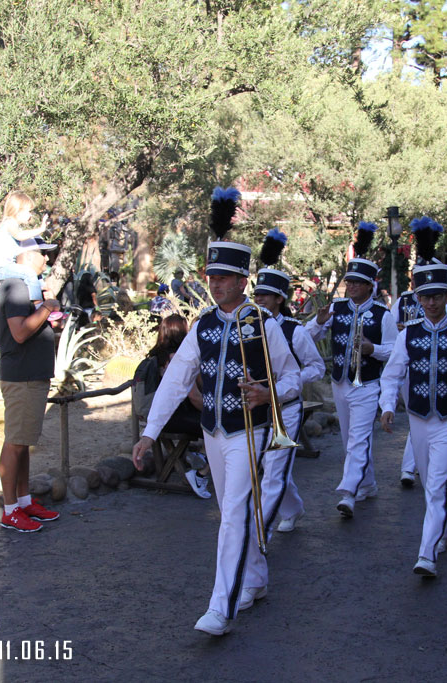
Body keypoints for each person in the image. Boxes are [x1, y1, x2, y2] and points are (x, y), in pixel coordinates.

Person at [130, 187, 301, 637]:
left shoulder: (264, 324)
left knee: (232, 515)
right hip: (212, 431)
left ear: (244, 281)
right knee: (233, 510)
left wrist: (271, 395)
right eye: (212, 275)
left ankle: (220, 608)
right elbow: (176, 379)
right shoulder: (203, 325)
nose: (216, 283)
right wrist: (149, 433)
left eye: (226, 277)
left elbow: (295, 379)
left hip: (251, 431)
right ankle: (256, 580)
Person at [380, 260, 447, 577]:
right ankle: (444, 529)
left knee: (437, 485)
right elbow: (392, 374)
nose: (432, 302)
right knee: (430, 484)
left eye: (438, 295)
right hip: (418, 419)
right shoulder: (408, 334)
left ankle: (427, 555)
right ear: (418, 298)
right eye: (426, 296)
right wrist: (387, 406)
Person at [306, 221, 397, 518]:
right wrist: (319, 322)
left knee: (358, 439)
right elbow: (308, 337)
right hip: (340, 382)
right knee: (350, 441)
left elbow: (395, 352)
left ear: (370, 285)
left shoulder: (383, 314)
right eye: (350, 281)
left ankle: (348, 492)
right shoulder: (338, 307)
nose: (352, 286)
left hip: (367, 384)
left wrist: (374, 350)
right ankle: (368, 483)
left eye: (358, 282)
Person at [252, 229, 325, 533]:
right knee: (264, 469)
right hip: (256, 407)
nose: (258, 300)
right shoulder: (247, 325)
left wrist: (290, 379)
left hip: (287, 407)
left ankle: (262, 533)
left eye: (264, 296)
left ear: (279, 299)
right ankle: (292, 508)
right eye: (255, 295)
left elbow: (317, 367)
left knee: (273, 472)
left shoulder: (296, 330)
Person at [0, 238, 61, 533]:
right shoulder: (15, 285)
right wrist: (47, 307)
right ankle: (10, 510)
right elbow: (19, 333)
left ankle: (22, 502)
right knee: (15, 442)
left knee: (22, 444)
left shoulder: (25, 286)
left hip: (31, 375)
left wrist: (47, 314)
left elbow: (29, 325)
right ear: (25, 255)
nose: (46, 260)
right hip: (21, 377)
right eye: (42, 254)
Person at [131, 314, 211, 498]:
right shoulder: (178, 358)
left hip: (158, 416)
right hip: (172, 417)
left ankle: (201, 458)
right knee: (215, 427)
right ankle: (201, 472)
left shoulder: (156, 354)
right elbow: (194, 397)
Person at [389, 217, 443, 487]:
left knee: (429, 414)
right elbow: (392, 327)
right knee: (416, 413)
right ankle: (413, 466)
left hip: (433, 362)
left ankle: (413, 466)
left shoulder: (440, 299)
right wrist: (401, 329)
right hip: (409, 364)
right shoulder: (404, 300)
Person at [0, 191, 51, 300]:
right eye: (28, 211)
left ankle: (41, 290)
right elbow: (19, 236)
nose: (30, 215)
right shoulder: (9, 223)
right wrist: (40, 229)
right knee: (29, 273)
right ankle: (37, 302)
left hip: (5, 266)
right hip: (0, 268)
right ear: (18, 211)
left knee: (30, 270)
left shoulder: (13, 226)